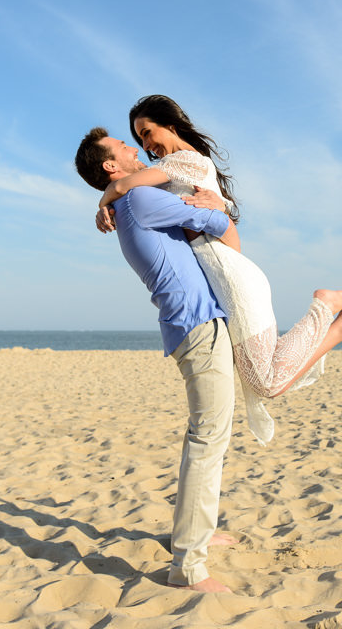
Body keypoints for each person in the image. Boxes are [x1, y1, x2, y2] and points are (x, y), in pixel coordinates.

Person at [95, 95, 342, 444]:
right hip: (225, 278)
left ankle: (330, 309)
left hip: (230, 278)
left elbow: (120, 185)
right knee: (263, 378)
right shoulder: (174, 171)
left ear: (170, 125)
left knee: (266, 382)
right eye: (139, 139)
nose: (145, 145)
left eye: (147, 133)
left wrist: (103, 203)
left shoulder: (184, 160)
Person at [75, 126, 240, 593]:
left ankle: (196, 536)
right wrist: (215, 208)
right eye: (125, 148)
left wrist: (108, 196)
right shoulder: (140, 201)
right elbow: (217, 223)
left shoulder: (129, 200)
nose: (135, 150)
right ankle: (188, 566)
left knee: (209, 438)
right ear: (112, 166)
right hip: (199, 325)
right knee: (207, 440)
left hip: (195, 323)